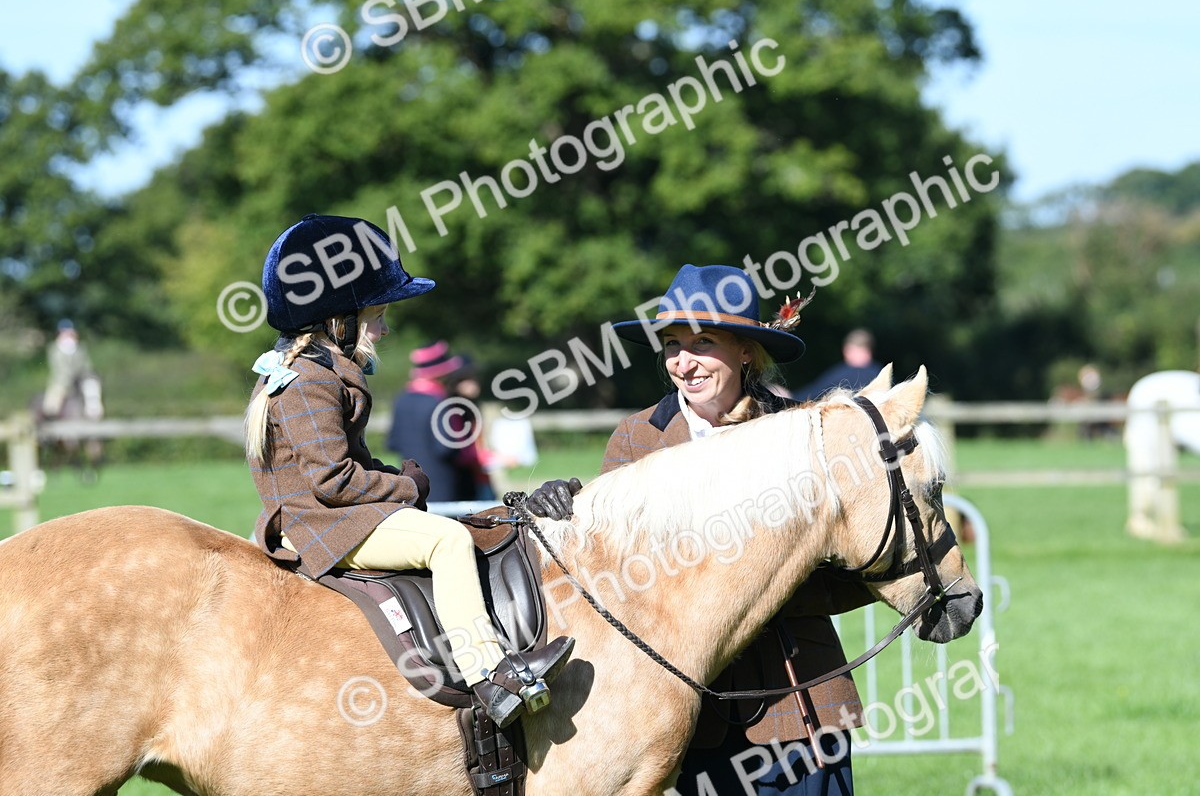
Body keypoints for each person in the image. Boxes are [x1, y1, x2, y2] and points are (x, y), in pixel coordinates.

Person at [526, 264, 876, 795]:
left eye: (703, 342)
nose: (683, 363)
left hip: (797, 699)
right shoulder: (636, 439)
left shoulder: (800, 430)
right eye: (672, 345)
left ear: (745, 352)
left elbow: (862, 563)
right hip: (688, 713)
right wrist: (560, 512)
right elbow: (611, 580)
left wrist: (766, 586)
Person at [245, 214, 572, 728]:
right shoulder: (309, 382)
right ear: (339, 319)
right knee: (448, 541)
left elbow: (347, 461)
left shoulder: (321, 372)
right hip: (324, 527)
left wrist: (389, 473)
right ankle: (492, 677)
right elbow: (331, 481)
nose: (384, 327)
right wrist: (407, 485)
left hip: (331, 516)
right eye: (377, 314)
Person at [387, 343, 495, 503]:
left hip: (411, 486)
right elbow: (446, 449)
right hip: (445, 490)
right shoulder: (440, 403)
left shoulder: (400, 400)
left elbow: (392, 443)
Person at [793, 328, 883, 402]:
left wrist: (790, 396)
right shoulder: (882, 374)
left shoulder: (844, 373)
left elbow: (815, 392)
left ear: (848, 349)